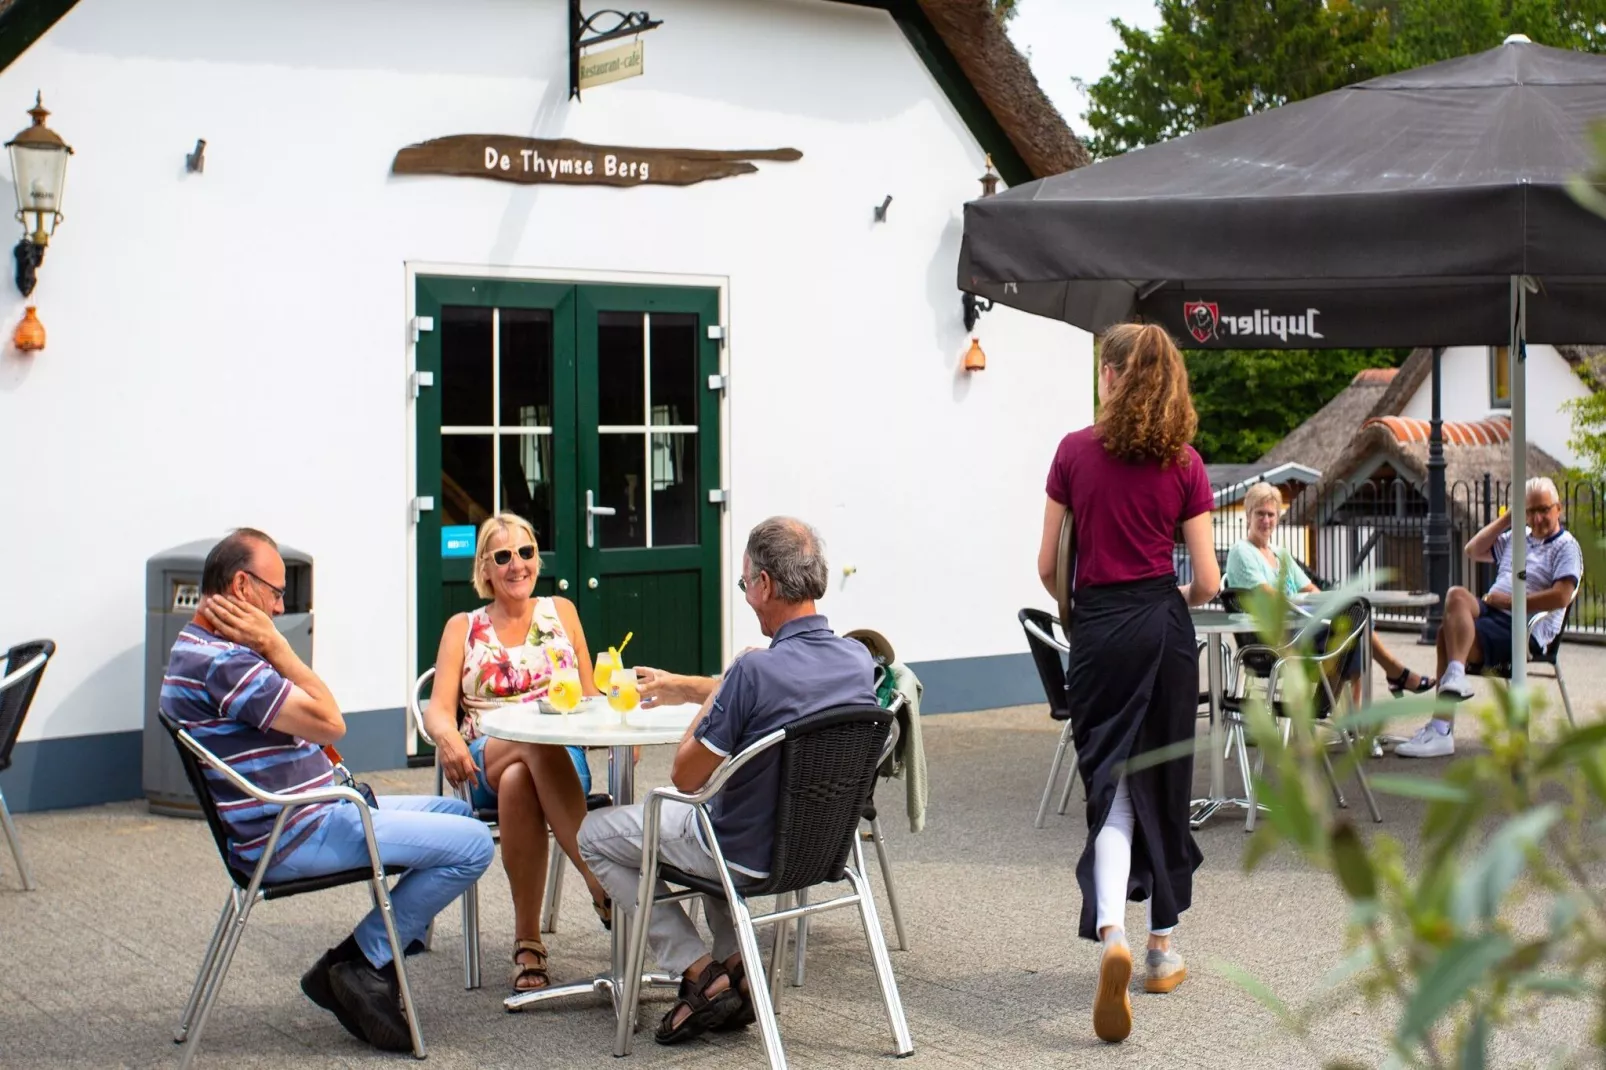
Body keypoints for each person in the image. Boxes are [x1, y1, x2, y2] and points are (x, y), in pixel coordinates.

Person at [161, 529, 494, 1053]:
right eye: (275, 591)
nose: (280, 604)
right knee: (474, 846)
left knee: (459, 817)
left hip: (305, 813)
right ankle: (360, 962)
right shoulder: (226, 662)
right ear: (241, 586)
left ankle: (368, 963)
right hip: (295, 830)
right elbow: (330, 722)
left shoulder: (197, 646)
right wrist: (278, 647)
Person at [578, 517, 876, 1044]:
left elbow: (686, 774)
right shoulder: (857, 662)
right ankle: (738, 963)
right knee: (711, 818)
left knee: (596, 834)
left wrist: (716, 695)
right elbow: (787, 690)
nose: (746, 596)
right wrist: (703, 686)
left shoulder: (754, 672)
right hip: (820, 852)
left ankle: (697, 970)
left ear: (764, 583)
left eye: (744, 585)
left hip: (741, 855)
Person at [1036, 322, 1219, 1045]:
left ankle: (1111, 928)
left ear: (1111, 376)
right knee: (1164, 787)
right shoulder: (1185, 463)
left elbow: (1047, 563)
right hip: (1162, 628)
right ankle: (1161, 949)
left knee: (1108, 787)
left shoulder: (1073, 452)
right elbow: (1205, 579)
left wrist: (1089, 608)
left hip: (1099, 631)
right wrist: (1167, 605)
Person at [423, 513, 613, 993]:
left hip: (560, 761)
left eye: (526, 552)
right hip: (486, 754)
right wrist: (447, 738)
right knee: (528, 742)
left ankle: (528, 941)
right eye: (503, 556)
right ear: (485, 568)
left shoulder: (562, 612)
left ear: (537, 559)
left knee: (522, 777)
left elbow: (589, 697)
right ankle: (600, 882)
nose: (517, 565)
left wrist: (616, 726)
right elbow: (439, 710)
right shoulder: (462, 627)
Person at [1396, 477, 1582, 759]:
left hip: (1522, 629)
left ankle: (1441, 728)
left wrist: (1509, 601)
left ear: (1559, 508)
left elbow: (1561, 597)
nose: (1538, 518)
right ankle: (1455, 679)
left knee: (1447, 636)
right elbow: (1472, 550)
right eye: (1530, 511)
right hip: (1492, 611)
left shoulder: (1566, 547)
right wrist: (1509, 518)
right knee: (1456, 595)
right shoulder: (1519, 536)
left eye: (1544, 509)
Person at [1224, 481, 1432, 697]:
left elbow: (1311, 588)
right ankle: (1391, 675)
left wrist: (1328, 604)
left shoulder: (1279, 553)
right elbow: (1269, 596)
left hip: (1301, 624)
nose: (1266, 520)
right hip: (1273, 636)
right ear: (1248, 515)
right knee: (1355, 618)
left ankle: (1352, 707)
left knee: (1354, 621)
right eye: (1260, 514)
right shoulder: (1242, 552)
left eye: (1271, 514)